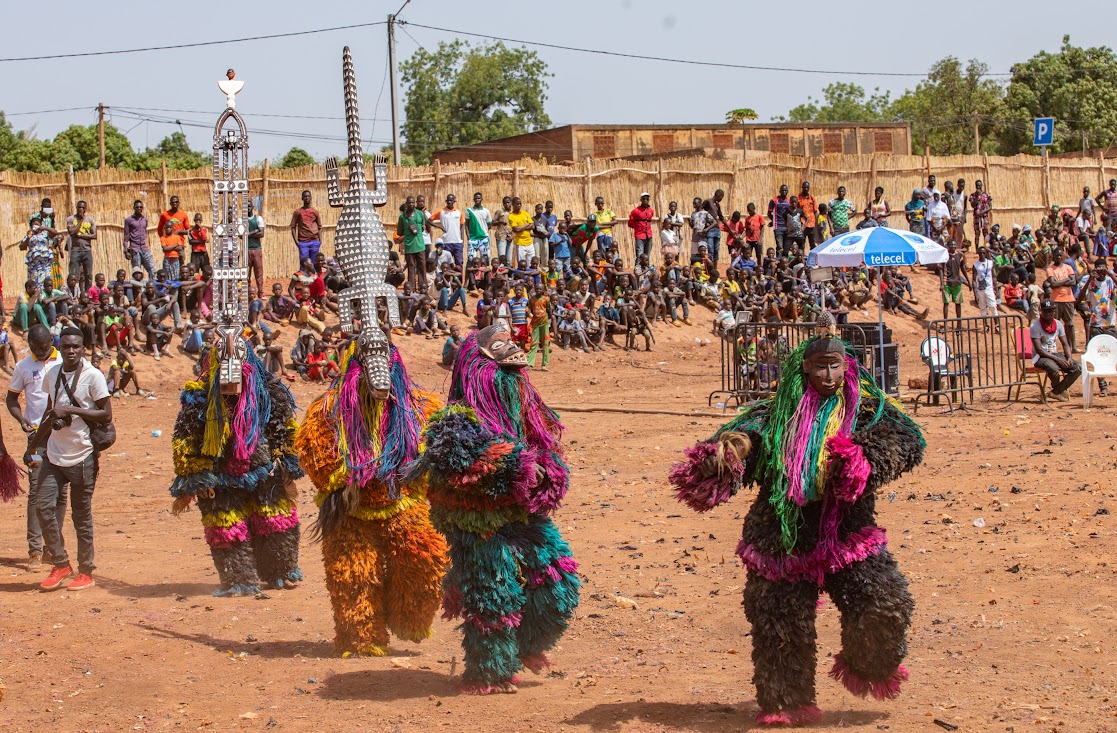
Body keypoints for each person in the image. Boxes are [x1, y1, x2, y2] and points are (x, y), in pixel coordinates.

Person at [670, 334, 923, 724]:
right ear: (804, 367)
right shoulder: (776, 414)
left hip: (847, 536)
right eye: (820, 365)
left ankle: (867, 665)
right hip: (780, 540)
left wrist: (864, 459)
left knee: (883, 607)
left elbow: (905, 440)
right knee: (779, 627)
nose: (827, 374)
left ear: (847, 366)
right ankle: (786, 702)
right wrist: (728, 453)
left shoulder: (868, 411)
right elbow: (745, 440)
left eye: (834, 365)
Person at [409, 322, 580, 694]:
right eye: (502, 373)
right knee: (493, 596)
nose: (512, 383)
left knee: (558, 583)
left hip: (521, 518)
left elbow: (546, 452)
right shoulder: (455, 422)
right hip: (477, 528)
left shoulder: (524, 417)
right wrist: (515, 466)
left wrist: (548, 472)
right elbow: (457, 463)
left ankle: (525, 648)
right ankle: (487, 672)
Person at [296, 335, 448, 655]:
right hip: (349, 511)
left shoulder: (421, 407)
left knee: (424, 559)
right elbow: (314, 451)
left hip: (403, 503)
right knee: (353, 576)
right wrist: (342, 477)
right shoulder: (328, 409)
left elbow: (437, 450)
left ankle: (409, 618)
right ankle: (362, 638)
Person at [171, 335, 303, 595]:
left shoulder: (267, 390)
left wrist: (288, 459)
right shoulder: (199, 396)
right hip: (219, 477)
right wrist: (192, 475)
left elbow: (284, 426)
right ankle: (240, 579)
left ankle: (279, 571)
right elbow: (186, 436)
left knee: (275, 522)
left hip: (265, 471)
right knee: (226, 526)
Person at [25, 327, 112, 591]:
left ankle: (86, 570)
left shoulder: (93, 376)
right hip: (54, 453)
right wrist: (35, 446)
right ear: (59, 348)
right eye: (66, 347)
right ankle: (61, 563)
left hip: (82, 455)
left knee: (81, 516)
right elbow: (50, 413)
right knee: (42, 506)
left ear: (83, 348)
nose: (70, 351)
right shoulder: (53, 373)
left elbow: (106, 415)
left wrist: (72, 409)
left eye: (75, 346)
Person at [7, 325, 62, 570]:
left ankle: (54, 548)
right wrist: (22, 420)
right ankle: (35, 550)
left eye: (42, 347)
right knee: (37, 491)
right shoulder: (23, 367)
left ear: (51, 341)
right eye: (33, 347)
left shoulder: (63, 360)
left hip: (62, 438)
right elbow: (11, 398)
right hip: (36, 439)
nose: (39, 352)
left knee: (60, 492)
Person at [1076, 258, 1117, 395]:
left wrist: (1110, 274)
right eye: (1098, 268)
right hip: (1095, 324)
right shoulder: (1089, 281)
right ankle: (1102, 385)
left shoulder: (1110, 280)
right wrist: (1089, 280)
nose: (1100, 271)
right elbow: (1079, 298)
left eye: (1102, 268)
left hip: (1110, 323)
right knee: (1098, 355)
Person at [1030, 298, 1081, 402]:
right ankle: (1058, 390)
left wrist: (1069, 357)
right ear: (1041, 311)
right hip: (1040, 357)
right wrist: (1058, 360)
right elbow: (1039, 350)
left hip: (1054, 354)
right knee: (1054, 369)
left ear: (1054, 311)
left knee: (1078, 367)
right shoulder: (1035, 326)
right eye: (1045, 311)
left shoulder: (1058, 324)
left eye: (1050, 311)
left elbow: (1065, 344)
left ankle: (1056, 391)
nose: (1047, 313)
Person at [1045, 246, 1078, 352]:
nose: (1058, 257)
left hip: (1068, 298)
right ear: (1053, 256)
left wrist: (1060, 282)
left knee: (1070, 324)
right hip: (1056, 299)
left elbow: (1073, 282)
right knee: (1055, 323)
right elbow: (1053, 284)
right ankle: (1053, 346)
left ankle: (1072, 347)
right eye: (1056, 255)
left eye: (1060, 255)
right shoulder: (1050, 269)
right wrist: (1066, 280)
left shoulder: (1068, 267)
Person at [397, 196, 428, 292]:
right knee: (411, 267)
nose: (411, 204)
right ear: (406, 203)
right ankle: (412, 289)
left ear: (415, 203)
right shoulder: (402, 217)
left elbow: (423, 227)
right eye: (409, 203)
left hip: (420, 245)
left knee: (422, 266)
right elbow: (399, 232)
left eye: (412, 203)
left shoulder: (420, 214)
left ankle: (423, 288)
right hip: (409, 246)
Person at [65, 200, 96, 293]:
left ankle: (88, 295)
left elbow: (94, 235)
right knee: (74, 275)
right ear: (76, 208)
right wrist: (81, 221)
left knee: (88, 275)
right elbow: (72, 232)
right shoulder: (71, 219)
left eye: (83, 207)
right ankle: (74, 295)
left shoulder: (90, 220)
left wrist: (80, 235)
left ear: (86, 209)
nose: (81, 209)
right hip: (75, 250)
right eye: (79, 207)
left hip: (87, 250)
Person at [124, 200, 156, 280]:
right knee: (137, 272)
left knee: (152, 269)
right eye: (137, 207)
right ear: (134, 208)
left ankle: (152, 288)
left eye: (141, 207)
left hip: (144, 248)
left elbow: (144, 231)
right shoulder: (129, 220)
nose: (139, 208)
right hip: (135, 249)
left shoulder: (145, 220)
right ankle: (138, 290)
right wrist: (125, 251)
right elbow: (126, 236)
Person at [431, 193, 466, 268]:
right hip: (446, 242)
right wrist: (439, 227)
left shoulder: (459, 212)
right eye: (448, 201)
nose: (449, 202)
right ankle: (448, 279)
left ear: (454, 201)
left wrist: (462, 240)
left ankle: (459, 279)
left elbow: (462, 226)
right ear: (446, 201)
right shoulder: (441, 212)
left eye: (451, 200)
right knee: (446, 264)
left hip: (457, 242)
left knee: (459, 264)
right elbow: (429, 221)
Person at [290, 190, 322, 263]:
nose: (307, 198)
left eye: (308, 196)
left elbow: (319, 227)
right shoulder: (298, 212)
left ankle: (314, 275)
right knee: (304, 264)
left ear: (311, 198)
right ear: (302, 198)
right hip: (303, 243)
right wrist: (297, 242)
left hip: (314, 242)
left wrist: (320, 241)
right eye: (305, 196)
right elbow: (293, 227)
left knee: (314, 264)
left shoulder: (315, 212)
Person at [941, 241, 970, 319]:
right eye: (951, 245)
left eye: (954, 245)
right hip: (946, 283)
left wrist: (968, 281)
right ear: (948, 246)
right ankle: (945, 322)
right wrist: (942, 284)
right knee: (946, 303)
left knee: (958, 304)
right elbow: (941, 270)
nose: (953, 247)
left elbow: (963, 269)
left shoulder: (960, 255)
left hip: (957, 283)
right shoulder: (945, 256)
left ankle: (959, 324)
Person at [527, 283, 551, 371]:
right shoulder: (532, 299)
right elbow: (529, 309)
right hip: (535, 324)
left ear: (543, 290)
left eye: (540, 289)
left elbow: (549, 310)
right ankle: (530, 363)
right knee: (533, 343)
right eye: (537, 289)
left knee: (545, 343)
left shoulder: (546, 299)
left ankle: (545, 364)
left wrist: (550, 320)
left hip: (544, 323)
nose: (538, 291)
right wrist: (529, 313)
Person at [508, 198, 535, 274]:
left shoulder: (525, 213)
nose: (519, 205)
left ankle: (531, 279)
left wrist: (522, 227)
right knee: (521, 264)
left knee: (531, 264)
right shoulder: (511, 216)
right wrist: (527, 224)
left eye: (520, 204)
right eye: (517, 204)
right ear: (513, 205)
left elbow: (532, 226)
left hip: (529, 242)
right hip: (520, 244)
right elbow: (516, 229)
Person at [972, 247, 999, 320]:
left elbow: (994, 277)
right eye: (980, 253)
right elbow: (974, 280)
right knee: (982, 308)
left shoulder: (990, 263)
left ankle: (997, 325)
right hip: (980, 289)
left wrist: (996, 289)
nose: (982, 254)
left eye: (983, 253)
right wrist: (975, 292)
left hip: (989, 288)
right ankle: (985, 325)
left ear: (986, 253)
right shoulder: (975, 265)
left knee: (993, 306)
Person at [702, 189, 728, 264]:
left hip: (717, 229)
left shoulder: (717, 205)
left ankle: (715, 270)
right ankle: (710, 269)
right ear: (719, 196)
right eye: (721, 198)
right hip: (710, 229)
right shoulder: (708, 202)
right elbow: (700, 210)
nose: (721, 199)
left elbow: (721, 217)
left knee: (716, 250)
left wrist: (730, 229)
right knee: (710, 250)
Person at [465, 192, 492, 265]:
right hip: (473, 239)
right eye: (476, 198)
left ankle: (484, 276)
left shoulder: (486, 211)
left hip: (484, 238)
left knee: (485, 260)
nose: (477, 200)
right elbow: (466, 225)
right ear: (473, 199)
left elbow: (489, 225)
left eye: (479, 198)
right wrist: (469, 237)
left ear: (482, 199)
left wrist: (483, 232)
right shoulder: (469, 210)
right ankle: (471, 276)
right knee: (471, 260)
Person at [246, 201, 265, 298]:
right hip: (247, 249)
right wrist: (255, 231)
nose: (248, 208)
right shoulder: (242, 220)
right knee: (246, 273)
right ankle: (247, 293)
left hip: (257, 248)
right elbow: (241, 236)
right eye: (246, 206)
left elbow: (262, 234)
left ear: (253, 207)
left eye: (249, 206)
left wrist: (248, 234)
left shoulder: (258, 218)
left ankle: (260, 293)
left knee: (259, 272)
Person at [628, 192, 656, 259]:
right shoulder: (636, 211)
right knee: (639, 253)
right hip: (639, 235)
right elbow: (630, 223)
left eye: (647, 199)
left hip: (649, 235)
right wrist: (638, 227)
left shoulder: (651, 211)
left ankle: (646, 268)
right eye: (644, 199)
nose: (645, 200)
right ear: (641, 200)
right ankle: (638, 267)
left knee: (647, 254)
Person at [969, 180, 992, 244]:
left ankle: (985, 247)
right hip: (976, 217)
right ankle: (977, 250)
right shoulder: (972, 195)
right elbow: (973, 205)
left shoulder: (986, 195)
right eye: (977, 185)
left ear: (981, 185)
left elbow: (990, 207)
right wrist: (976, 196)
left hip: (984, 217)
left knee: (985, 233)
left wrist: (984, 211)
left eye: (979, 185)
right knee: (977, 234)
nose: (978, 187)